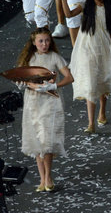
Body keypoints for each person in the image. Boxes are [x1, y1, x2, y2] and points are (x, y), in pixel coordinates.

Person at [52, 0, 111, 134]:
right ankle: (91, 123)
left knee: (102, 80)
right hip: (86, 50)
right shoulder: (85, 6)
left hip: (103, 49)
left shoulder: (110, 9)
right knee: (90, 83)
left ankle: (102, 110)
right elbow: (68, 15)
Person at [16, 27, 74, 192]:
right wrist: (31, 84)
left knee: (47, 140)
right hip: (33, 101)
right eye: (41, 41)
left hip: (50, 101)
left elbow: (69, 77)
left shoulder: (54, 57)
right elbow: (19, 78)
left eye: (47, 40)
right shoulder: (29, 58)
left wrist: (54, 85)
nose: (44, 44)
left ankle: (48, 177)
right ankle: (42, 179)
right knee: (37, 139)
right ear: (34, 43)